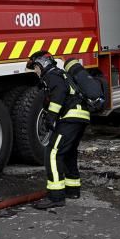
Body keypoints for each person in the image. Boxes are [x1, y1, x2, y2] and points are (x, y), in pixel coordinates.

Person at [28, 50, 92, 210]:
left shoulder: (52, 75)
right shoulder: (60, 74)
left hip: (70, 117)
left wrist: (51, 116)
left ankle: (56, 197)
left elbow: (59, 93)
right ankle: (73, 190)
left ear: (43, 64)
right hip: (80, 116)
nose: (35, 72)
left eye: (35, 67)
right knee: (68, 152)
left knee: (53, 153)